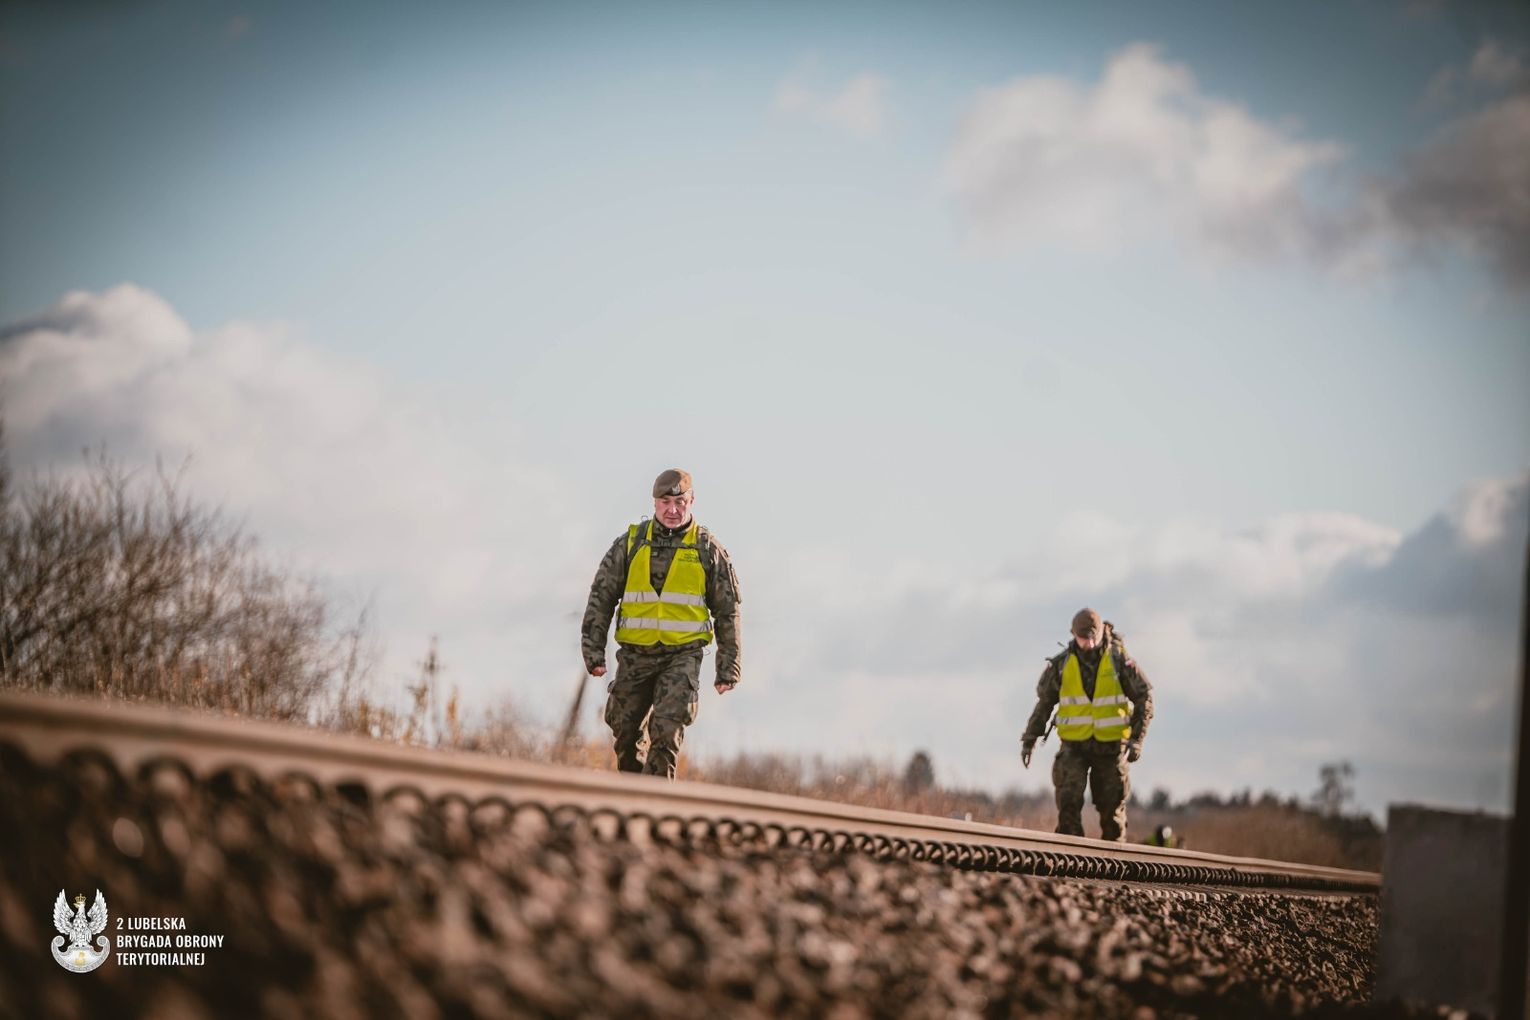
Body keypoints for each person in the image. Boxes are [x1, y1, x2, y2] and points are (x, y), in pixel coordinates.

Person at [581, 468, 741, 778]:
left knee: (667, 730)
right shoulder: (630, 544)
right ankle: (633, 795)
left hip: (682, 656)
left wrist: (727, 668)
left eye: (680, 502)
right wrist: (594, 652)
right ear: (654, 502)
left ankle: (657, 800)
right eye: (666, 502)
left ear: (692, 501)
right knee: (625, 732)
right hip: (635, 655)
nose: (673, 510)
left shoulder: (708, 550)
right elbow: (601, 597)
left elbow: (727, 612)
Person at [1020, 608, 1154, 841]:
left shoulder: (1119, 660)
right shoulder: (1061, 665)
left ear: (1102, 632)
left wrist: (1136, 740)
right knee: (1068, 804)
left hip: (1111, 747)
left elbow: (1144, 698)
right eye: (1084, 638)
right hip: (1074, 746)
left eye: (1094, 637)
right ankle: (1071, 857)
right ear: (1073, 634)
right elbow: (1044, 704)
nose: (1089, 644)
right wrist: (1029, 740)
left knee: (1112, 812)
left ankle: (1114, 860)